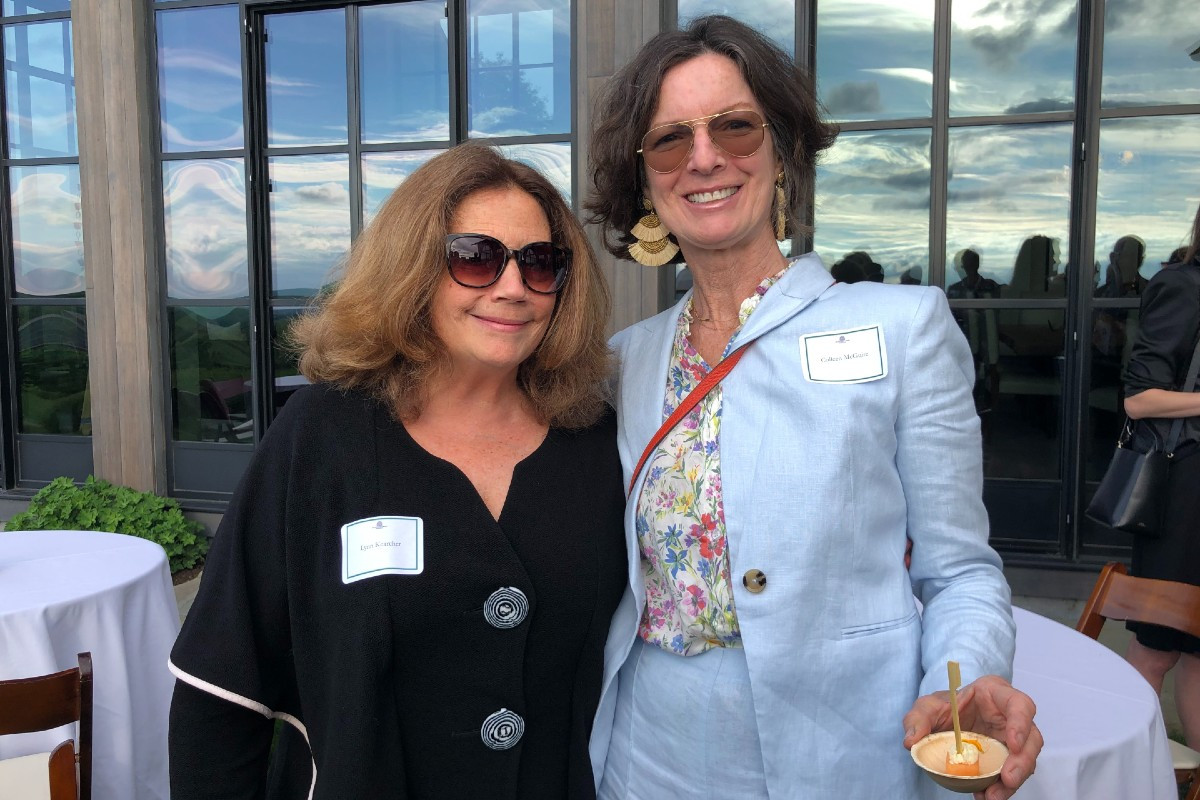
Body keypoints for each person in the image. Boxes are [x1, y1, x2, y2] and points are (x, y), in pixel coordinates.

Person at [586, 15, 1041, 799]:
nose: (704, 158)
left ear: (782, 151)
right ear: (647, 180)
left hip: (846, 748)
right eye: (669, 140)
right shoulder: (622, 361)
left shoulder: (905, 327)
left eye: (736, 126)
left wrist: (963, 678)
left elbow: (961, 571)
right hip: (649, 749)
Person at [168, 144, 627, 798]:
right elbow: (222, 693)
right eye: (475, 257)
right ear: (413, 268)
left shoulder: (597, 442)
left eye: (540, 262)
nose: (512, 286)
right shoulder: (322, 437)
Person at [1121, 203, 1200, 749]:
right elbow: (1139, 400)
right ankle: (1127, 771)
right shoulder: (1183, 286)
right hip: (1184, 497)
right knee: (1158, 647)